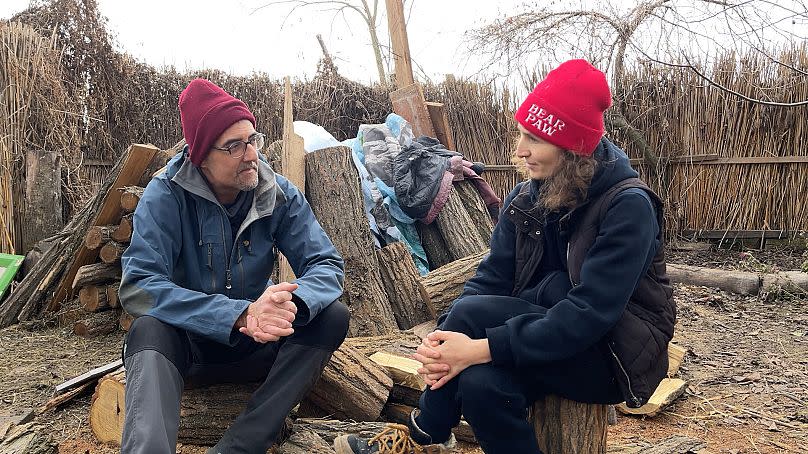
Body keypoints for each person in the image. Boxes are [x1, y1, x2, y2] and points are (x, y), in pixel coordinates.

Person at [334, 59, 676, 454]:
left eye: (534, 139)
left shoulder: (627, 206)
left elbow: (589, 314)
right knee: (481, 385)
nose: (520, 150)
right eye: (520, 134)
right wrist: (443, 338)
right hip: (543, 332)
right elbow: (490, 278)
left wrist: (477, 348)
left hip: (610, 353)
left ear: (572, 149)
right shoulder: (525, 198)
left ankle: (425, 434)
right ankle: (429, 434)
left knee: (518, 311)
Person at [119, 78, 349, 454]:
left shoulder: (276, 192)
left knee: (331, 315)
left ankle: (240, 446)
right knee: (148, 330)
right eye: (234, 146)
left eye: (252, 139)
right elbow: (139, 285)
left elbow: (326, 263)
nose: (251, 155)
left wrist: (290, 304)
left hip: (255, 346)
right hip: (188, 349)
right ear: (202, 156)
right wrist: (237, 314)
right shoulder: (165, 195)